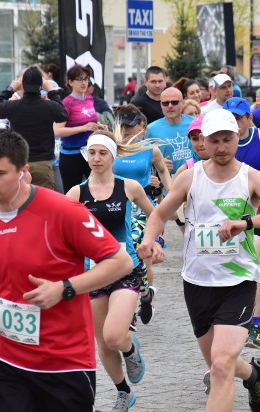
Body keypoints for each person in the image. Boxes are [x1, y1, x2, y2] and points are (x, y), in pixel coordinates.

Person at [137, 109, 260, 411]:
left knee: (222, 366)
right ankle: (254, 374)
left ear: (238, 138)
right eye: (215, 141)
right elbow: (159, 214)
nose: (222, 147)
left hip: (238, 282)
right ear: (203, 142)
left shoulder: (251, 177)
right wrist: (148, 241)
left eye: (228, 139)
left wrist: (247, 222)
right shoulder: (190, 177)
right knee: (219, 363)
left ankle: (245, 377)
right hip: (197, 281)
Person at [0, 128, 132, 411]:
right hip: (5, 359)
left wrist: (65, 288)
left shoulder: (63, 211)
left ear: (22, 170)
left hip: (62, 363)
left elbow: (120, 262)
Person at [66, 131, 155, 410]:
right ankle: (123, 392)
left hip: (125, 267)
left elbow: (155, 215)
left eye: (102, 153)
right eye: (92, 153)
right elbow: (61, 231)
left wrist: (150, 242)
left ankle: (130, 349)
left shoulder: (128, 187)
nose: (96, 158)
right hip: (93, 273)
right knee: (103, 344)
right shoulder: (75, 193)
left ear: (113, 156)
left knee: (114, 335)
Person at [223, 97, 260, 349]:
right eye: (230, 117)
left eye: (239, 117)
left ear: (249, 118)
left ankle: (253, 326)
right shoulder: (220, 144)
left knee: (250, 260)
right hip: (230, 215)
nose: (235, 123)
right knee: (249, 264)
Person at [113, 105, 172, 325]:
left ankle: (130, 306)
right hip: (117, 208)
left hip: (143, 209)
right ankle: (144, 295)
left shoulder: (151, 150)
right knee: (123, 255)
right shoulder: (113, 148)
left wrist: (171, 195)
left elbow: (164, 171)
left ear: (142, 127)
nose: (126, 130)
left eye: (130, 126)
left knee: (135, 250)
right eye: (122, 126)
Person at [0, 67, 68, 190]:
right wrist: (51, 90)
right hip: (42, 163)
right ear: (40, 85)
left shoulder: (14, 106)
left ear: (22, 85)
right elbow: (62, 114)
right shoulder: (48, 106)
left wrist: (10, 89)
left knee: (20, 203)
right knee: (43, 204)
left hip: (19, 163)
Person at [54, 64, 108, 194]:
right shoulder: (67, 102)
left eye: (86, 79)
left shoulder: (89, 99)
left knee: (94, 191)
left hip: (89, 153)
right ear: (70, 82)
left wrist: (99, 126)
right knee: (73, 194)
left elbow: (89, 120)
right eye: (79, 79)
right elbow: (57, 131)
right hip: (71, 155)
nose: (84, 83)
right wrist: (83, 128)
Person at [144, 87, 194, 173]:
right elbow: (144, 160)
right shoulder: (151, 129)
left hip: (195, 178)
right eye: (165, 103)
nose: (170, 106)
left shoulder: (194, 123)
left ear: (182, 103)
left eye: (174, 102)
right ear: (161, 105)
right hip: (168, 182)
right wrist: (158, 164)